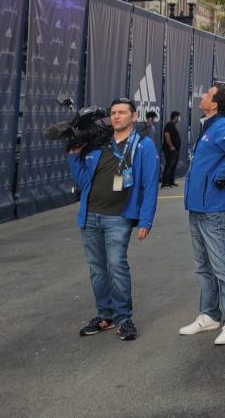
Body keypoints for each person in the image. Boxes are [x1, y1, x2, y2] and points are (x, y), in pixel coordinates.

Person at [67, 98, 159, 342]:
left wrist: (146, 221)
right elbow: (83, 180)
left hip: (118, 217)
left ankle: (123, 318)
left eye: (121, 112)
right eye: (113, 113)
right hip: (90, 216)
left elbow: (150, 185)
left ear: (133, 115)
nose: (116, 116)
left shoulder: (143, 145)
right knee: (97, 270)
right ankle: (104, 315)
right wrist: (74, 156)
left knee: (117, 266)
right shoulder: (99, 143)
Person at [179, 85, 225, 345]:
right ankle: (209, 314)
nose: (203, 96)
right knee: (202, 265)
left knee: (221, 264)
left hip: (211, 208)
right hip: (197, 206)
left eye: (208, 94)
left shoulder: (220, 128)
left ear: (215, 104)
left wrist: (219, 176)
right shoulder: (209, 126)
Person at [161, 111, 182, 187]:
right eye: (178, 117)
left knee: (173, 166)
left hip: (175, 150)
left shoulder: (173, 125)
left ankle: (171, 182)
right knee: (169, 166)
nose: (179, 118)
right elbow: (167, 135)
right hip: (170, 150)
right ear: (175, 117)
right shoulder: (169, 125)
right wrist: (171, 146)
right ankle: (165, 183)